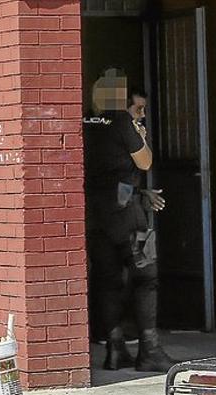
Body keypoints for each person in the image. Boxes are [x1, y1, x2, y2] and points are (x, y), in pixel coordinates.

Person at [84, 69, 174, 372]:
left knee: (108, 281)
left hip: (95, 216)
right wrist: (141, 137)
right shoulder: (122, 122)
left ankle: (114, 348)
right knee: (147, 277)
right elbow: (145, 161)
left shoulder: (85, 122)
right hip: (127, 215)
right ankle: (150, 349)